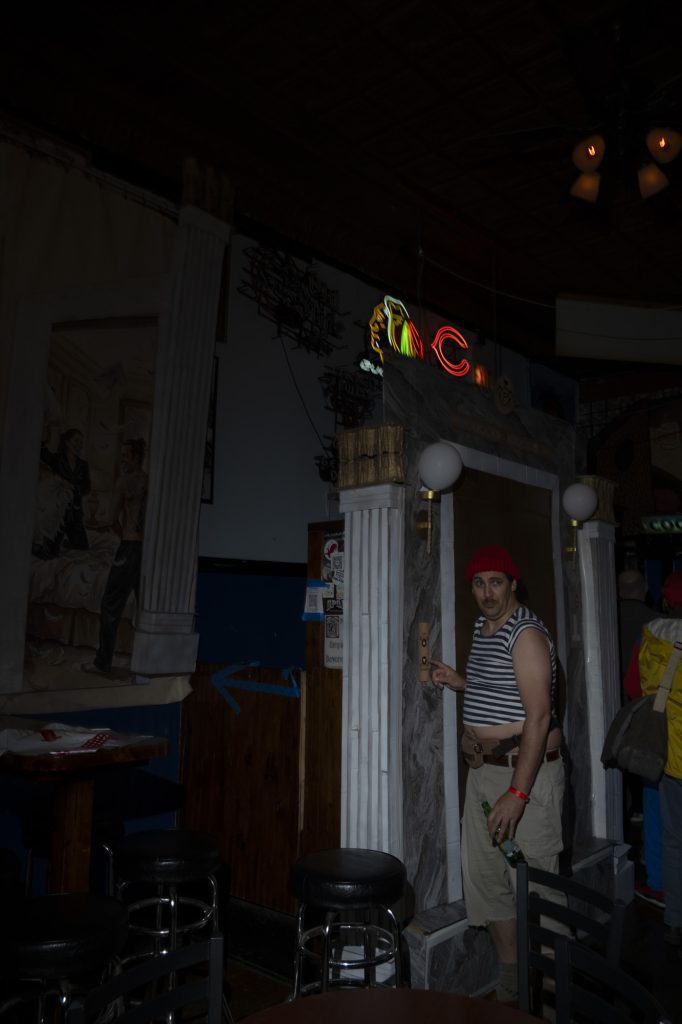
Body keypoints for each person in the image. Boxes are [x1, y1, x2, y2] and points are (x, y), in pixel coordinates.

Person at [430, 544, 564, 1005]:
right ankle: (512, 991)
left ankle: (554, 1001)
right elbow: (502, 691)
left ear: (513, 584)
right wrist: (460, 682)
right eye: (479, 582)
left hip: (523, 777)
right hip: (484, 775)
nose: (487, 592)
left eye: (496, 582)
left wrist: (517, 794)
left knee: (541, 890)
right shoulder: (483, 628)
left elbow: (539, 716)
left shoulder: (525, 633)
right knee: (489, 885)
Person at [623, 571, 682, 946]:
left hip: (668, 755)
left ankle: (675, 920)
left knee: (673, 839)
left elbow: (633, 687)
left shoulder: (650, 637)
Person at [82, 439, 148, 676]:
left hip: (129, 547)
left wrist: (126, 539)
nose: (122, 461)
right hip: (147, 550)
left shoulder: (123, 481)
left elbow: (111, 520)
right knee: (146, 605)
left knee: (110, 605)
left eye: (125, 456)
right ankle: (148, 663)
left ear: (136, 457)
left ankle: (102, 663)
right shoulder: (150, 481)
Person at [617, 570, 657, 825]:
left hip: (616, 703)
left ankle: (629, 808)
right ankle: (641, 807)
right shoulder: (656, 623)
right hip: (648, 704)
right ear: (645, 590)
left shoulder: (605, 618)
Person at [33, 427, 91, 558]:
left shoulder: (83, 465)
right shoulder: (57, 459)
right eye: (76, 441)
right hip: (57, 515)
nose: (79, 445)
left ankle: (65, 544)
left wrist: (73, 488)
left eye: (81, 442)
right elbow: (42, 452)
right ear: (67, 442)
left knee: (83, 550)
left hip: (75, 513)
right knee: (49, 554)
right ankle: (37, 547)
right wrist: (45, 433)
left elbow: (87, 487)